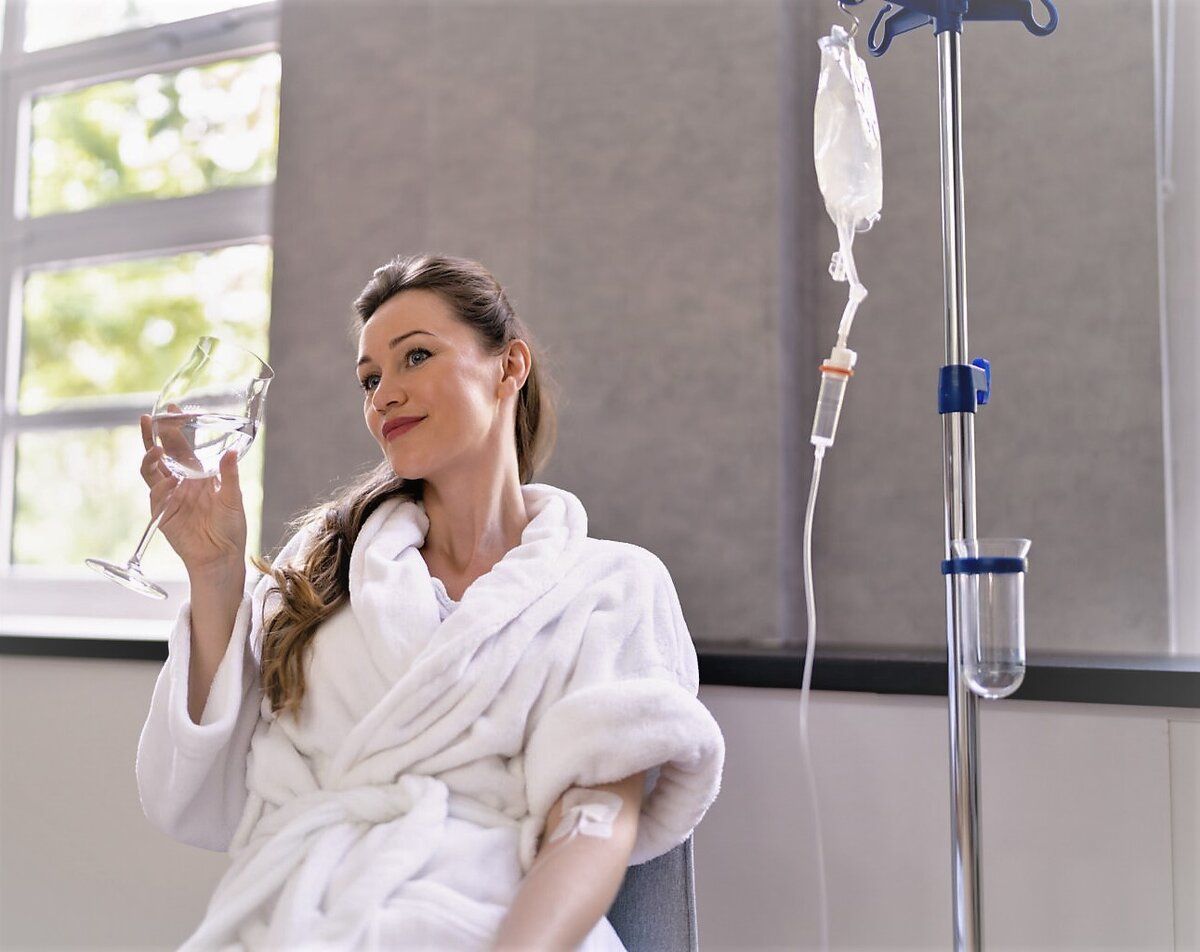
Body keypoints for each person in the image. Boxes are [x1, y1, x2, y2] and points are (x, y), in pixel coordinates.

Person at [135, 253, 726, 951]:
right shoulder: (325, 565)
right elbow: (208, 793)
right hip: (300, 920)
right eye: (370, 379)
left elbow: (593, 823)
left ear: (509, 366)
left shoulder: (612, 584)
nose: (384, 395)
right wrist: (214, 572)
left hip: (501, 925)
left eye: (415, 356)